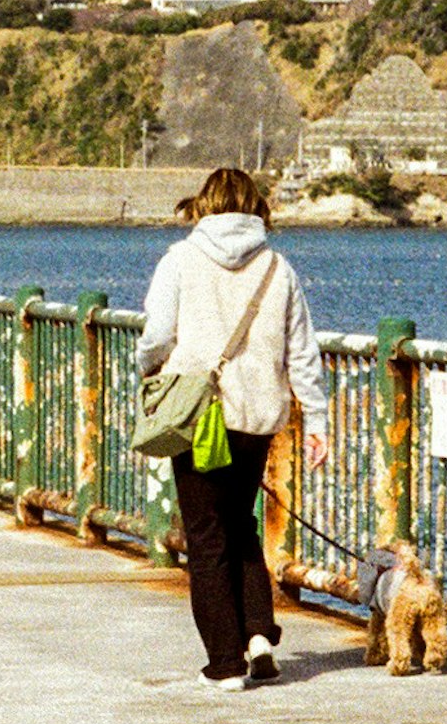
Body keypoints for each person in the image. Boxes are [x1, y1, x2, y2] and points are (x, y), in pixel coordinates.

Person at [136, 167, 326, 689]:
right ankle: (259, 633)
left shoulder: (181, 259)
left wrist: (148, 366)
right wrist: (318, 418)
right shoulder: (277, 267)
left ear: (204, 205)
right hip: (258, 415)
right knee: (240, 520)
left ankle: (224, 663)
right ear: (254, 208)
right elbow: (302, 351)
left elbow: (156, 334)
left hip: (199, 412)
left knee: (206, 535)